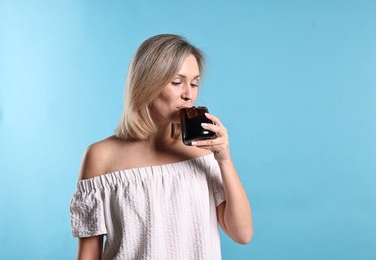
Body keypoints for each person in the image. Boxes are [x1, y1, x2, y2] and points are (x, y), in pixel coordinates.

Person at [70, 34, 253, 260]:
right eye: (177, 82)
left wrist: (224, 159)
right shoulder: (100, 156)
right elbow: (89, 254)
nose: (189, 94)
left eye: (194, 83)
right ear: (148, 83)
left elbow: (242, 234)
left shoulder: (203, 151)